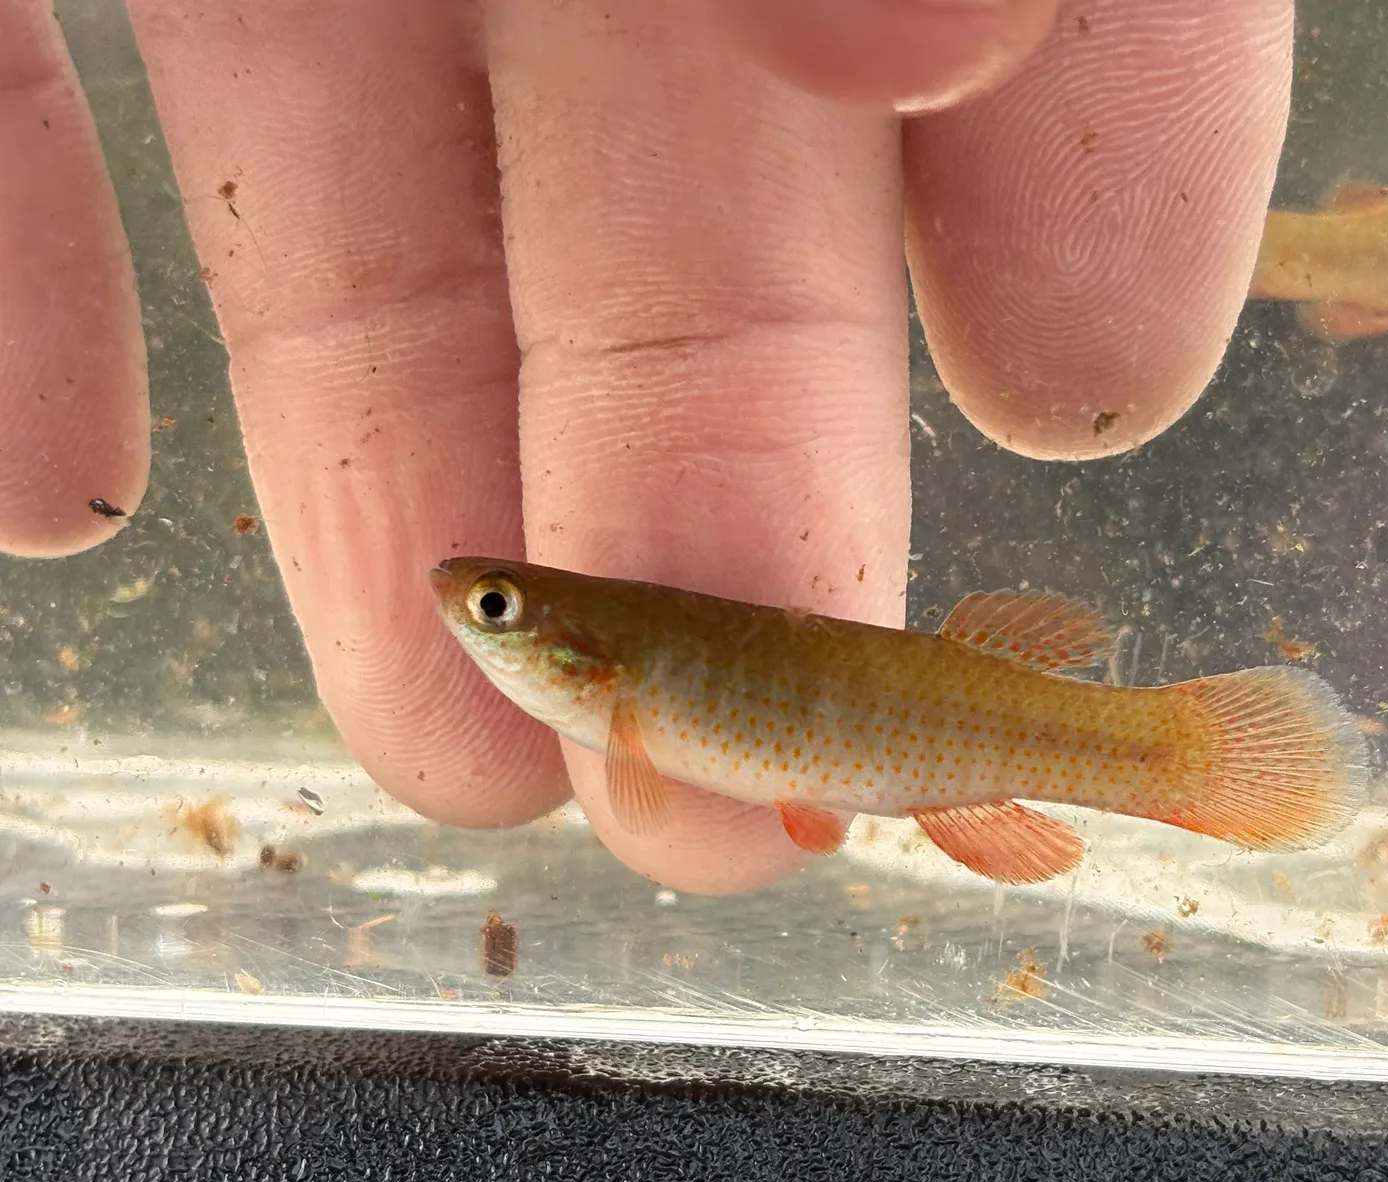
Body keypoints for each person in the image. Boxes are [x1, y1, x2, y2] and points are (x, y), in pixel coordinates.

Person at [1, 0, 1292, 894]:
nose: (466, 602)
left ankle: (1181, 758)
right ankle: (1185, 763)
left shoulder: (614, 680)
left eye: (496, 606)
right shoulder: (616, 682)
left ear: (577, 650)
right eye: (493, 603)